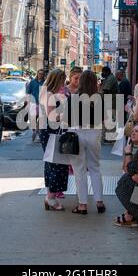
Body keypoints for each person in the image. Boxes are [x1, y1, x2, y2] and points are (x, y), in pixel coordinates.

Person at [66, 70, 106, 215]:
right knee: (95, 168)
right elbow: (104, 119)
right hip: (94, 133)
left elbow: (67, 119)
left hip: (77, 133)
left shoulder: (74, 97)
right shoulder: (99, 98)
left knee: (79, 170)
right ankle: (99, 202)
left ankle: (82, 205)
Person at [39, 69, 69, 211]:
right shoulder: (50, 94)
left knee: (51, 163)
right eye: (62, 81)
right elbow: (52, 116)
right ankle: (50, 197)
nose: (63, 84)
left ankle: (50, 195)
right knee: (58, 163)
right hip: (51, 131)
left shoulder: (46, 92)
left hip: (48, 131)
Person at [100, 66, 119, 142]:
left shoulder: (110, 78)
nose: (102, 73)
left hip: (111, 102)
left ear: (107, 72)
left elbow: (106, 91)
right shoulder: (109, 78)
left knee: (110, 120)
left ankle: (111, 138)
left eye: (103, 72)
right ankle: (108, 137)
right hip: (110, 102)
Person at [27, 69, 45, 141]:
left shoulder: (45, 83)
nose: (41, 75)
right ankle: (34, 131)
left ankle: (37, 132)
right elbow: (28, 93)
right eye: (40, 73)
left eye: (42, 74)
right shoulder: (32, 82)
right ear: (37, 74)